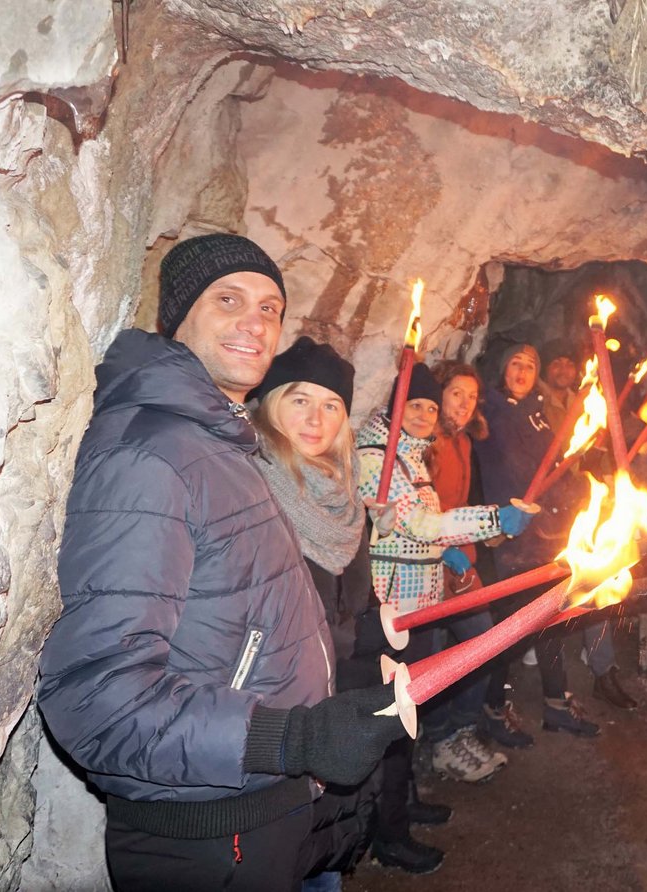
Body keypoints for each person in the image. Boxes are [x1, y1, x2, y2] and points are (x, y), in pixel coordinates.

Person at [37, 234, 404, 892]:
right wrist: (288, 739)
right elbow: (99, 699)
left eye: (270, 308)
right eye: (228, 300)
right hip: (206, 834)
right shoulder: (148, 456)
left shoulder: (219, 447)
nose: (254, 322)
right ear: (176, 319)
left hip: (256, 815)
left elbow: (251, 615)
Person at [356, 361, 532, 874]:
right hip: (392, 612)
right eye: (417, 403)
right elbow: (420, 524)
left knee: (410, 713)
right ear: (395, 405)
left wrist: (448, 553)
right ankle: (387, 832)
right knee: (391, 717)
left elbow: (424, 530)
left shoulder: (413, 455)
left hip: (421, 608)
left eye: (431, 407)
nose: (426, 414)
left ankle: (404, 801)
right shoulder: (377, 457)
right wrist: (494, 518)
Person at [248, 336, 371, 892]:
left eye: (331, 405)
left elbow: (347, 615)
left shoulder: (346, 502)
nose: (316, 417)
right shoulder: (251, 483)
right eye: (300, 399)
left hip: (331, 704)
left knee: (321, 870)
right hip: (273, 722)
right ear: (271, 401)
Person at [477, 343, 600, 742]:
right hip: (512, 537)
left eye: (530, 366)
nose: (522, 371)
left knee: (548, 623)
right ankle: (492, 710)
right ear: (502, 369)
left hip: (545, 536)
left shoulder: (537, 413)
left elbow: (554, 469)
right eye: (515, 363)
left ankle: (555, 704)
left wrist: (584, 488)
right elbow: (508, 471)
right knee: (513, 629)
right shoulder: (490, 412)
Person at [537, 338, 639, 711]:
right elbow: (550, 462)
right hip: (545, 519)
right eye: (556, 363)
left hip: (578, 512)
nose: (563, 370)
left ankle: (603, 670)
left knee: (595, 590)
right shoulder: (537, 408)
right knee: (548, 603)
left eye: (569, 363)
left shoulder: (582, 401)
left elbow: (587, 458)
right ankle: (553, 692)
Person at [425, 361, 515, 782]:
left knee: (477, 648)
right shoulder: (428, 442)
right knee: (463, 650)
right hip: (430, 565)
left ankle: (457, 733)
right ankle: (443, 741)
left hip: (461, 566)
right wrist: (446, 552)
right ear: (439, 394)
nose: (463, 403)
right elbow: (422, 514)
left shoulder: (462, 442)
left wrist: (486, 533)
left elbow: (460, 505)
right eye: (455, 392)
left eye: (471, 396)